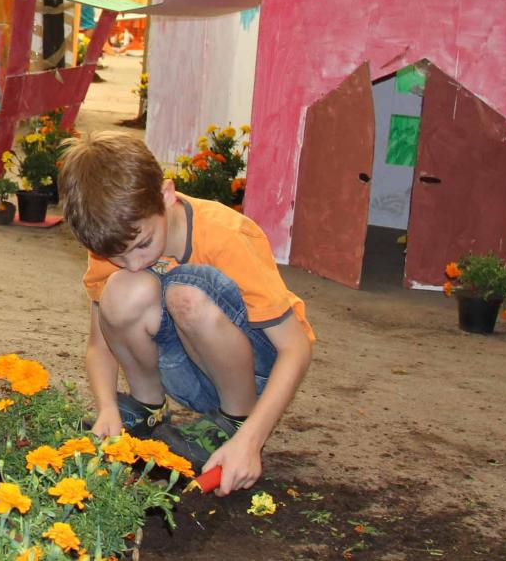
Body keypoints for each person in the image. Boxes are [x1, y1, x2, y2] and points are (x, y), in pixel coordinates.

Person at [58, 131, 314, 496]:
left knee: (186, 290)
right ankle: (149, 411)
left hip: (255, 373)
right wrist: (107, 408)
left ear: (166, 194)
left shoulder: (225, 234)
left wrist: (251, 441)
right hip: (191, 374)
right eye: (118, 255)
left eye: (143, 244)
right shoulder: (114, 238)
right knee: (122, 290)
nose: (134, 261)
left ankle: (234, 424)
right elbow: (100, 345)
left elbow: (296, 347)